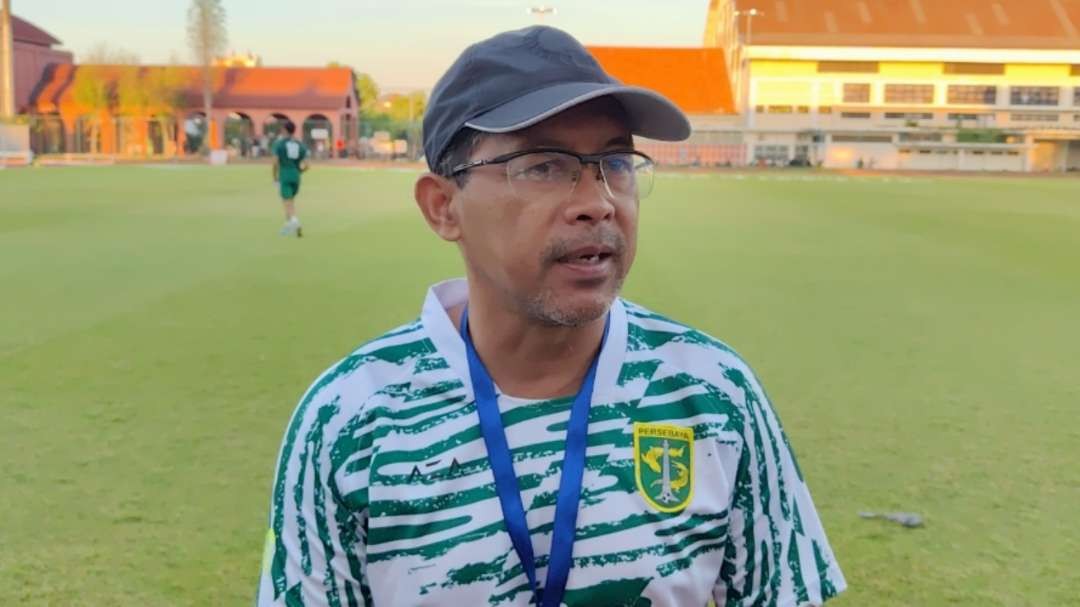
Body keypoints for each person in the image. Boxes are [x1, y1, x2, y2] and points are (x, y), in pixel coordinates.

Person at [257, 26, 846, 607]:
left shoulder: (714, 392)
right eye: (542, 165)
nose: (598, 203)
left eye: (615, 162)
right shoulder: (351, 419)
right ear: (443, 208)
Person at [271, 121, 309, 237]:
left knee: (286, 202)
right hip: (296, 176)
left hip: (285, 174)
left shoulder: (279, 144)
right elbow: (307, 165)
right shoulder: (300, 145)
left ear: (285, 130)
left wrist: (275, 177)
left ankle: (295, 222)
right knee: (290, 201)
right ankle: (288, 226)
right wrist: (299, 172)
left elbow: (275, 162)